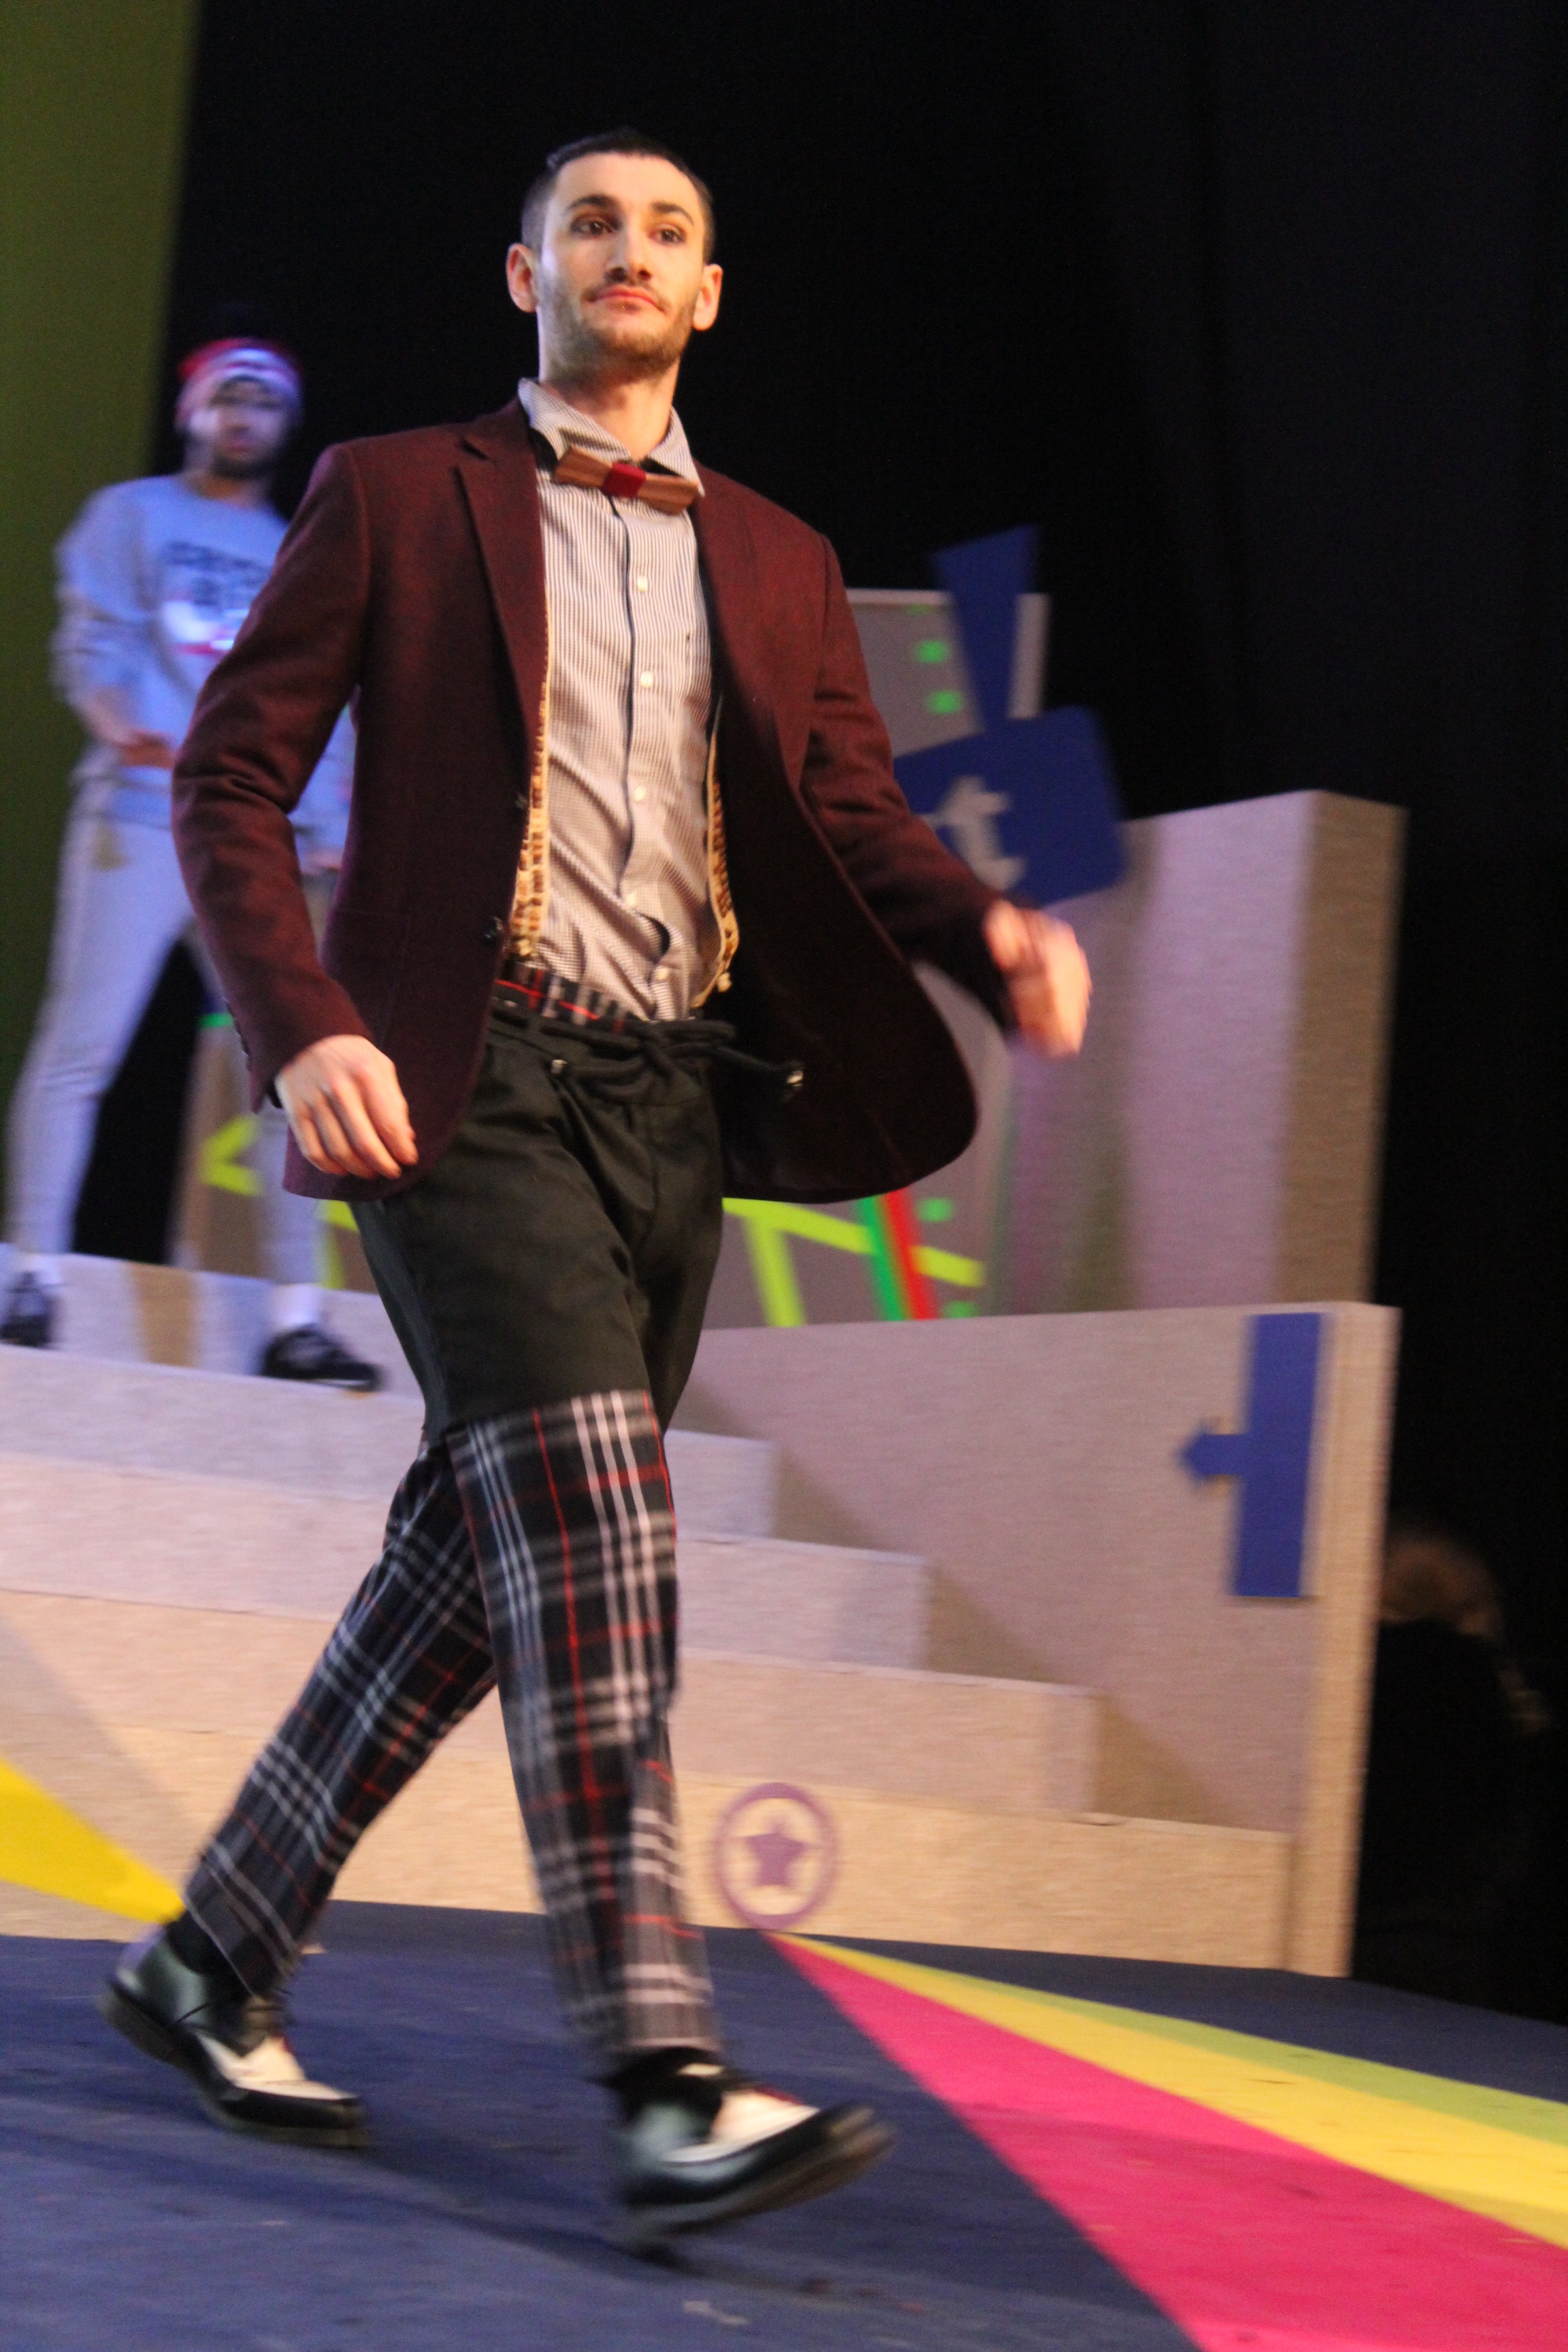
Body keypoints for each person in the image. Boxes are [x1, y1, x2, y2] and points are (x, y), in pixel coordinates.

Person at [99, 131, 1092, 2244]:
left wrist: (983, 928)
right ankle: (662, 2076)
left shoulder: (783, 556)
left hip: (675, 1108)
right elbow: (234, 777)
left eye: (668, 230)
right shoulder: (396, 492)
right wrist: (304, 1026)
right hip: (460, 1083)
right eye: (592, 223)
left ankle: (207, 1958)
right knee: (605, 1531)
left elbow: (849, 814)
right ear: (523, 272)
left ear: (708, 293)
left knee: (474, 1569)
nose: (629, 251)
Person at [1, 332, 381, 1390]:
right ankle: (32, 1275)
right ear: (193, 411)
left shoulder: (295, 544)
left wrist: (330, 819)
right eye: (229, 396)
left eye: (265, 400)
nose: (245, 414)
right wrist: (115, 718)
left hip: (258, 843)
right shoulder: (130, 516)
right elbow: (94, 641)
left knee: (295, 1073)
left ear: (285, 423)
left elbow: (319, 695)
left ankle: (295, 1321)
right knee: (83, 1048)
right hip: (142, 816)